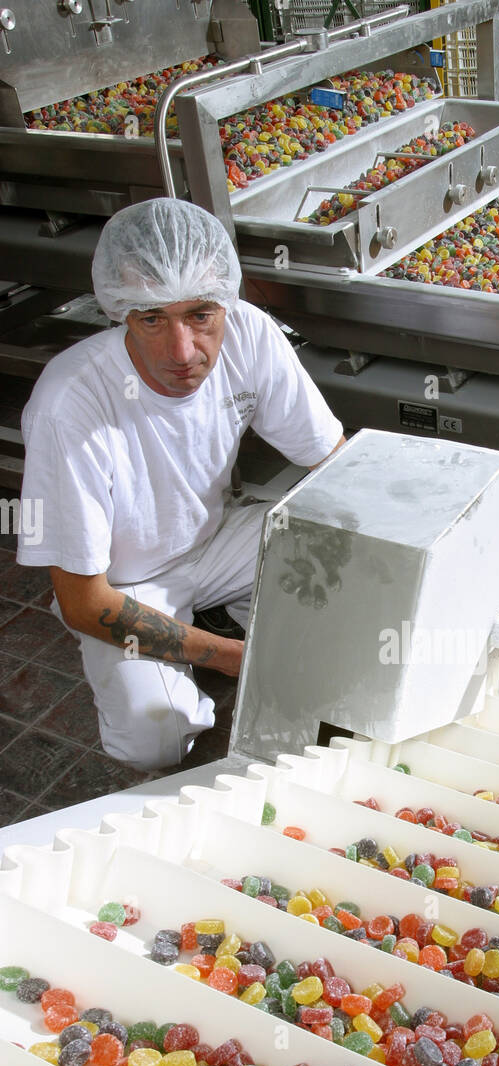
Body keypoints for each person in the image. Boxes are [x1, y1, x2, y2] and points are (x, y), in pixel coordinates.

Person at [16, 198, 345, 771]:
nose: (183, 352)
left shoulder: (250, 335)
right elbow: (82, 601)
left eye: (199, 315)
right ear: (120, 310)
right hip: (124, 584)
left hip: (215, 538)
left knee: (343, 544)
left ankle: (216, 612)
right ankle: (202, 635)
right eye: (152, 318)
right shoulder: (70, 405)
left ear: (225, 299)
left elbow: (333, 464)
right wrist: (230, 658)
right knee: (154, 736)